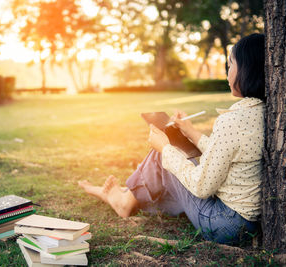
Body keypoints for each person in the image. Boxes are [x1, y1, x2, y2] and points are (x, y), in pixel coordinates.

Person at [78, 33, 265, 245]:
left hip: (222, 225)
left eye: (230, 65)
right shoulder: (260, 113)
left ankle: (124, 199)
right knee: (171, 168)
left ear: (248, 69)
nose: (227, 72)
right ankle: (126, 194)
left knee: (165, 155)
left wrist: (166, 149)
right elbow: (225, 154)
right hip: (245, 224)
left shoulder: (232, 121)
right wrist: (190, 132)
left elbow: (202, 187)